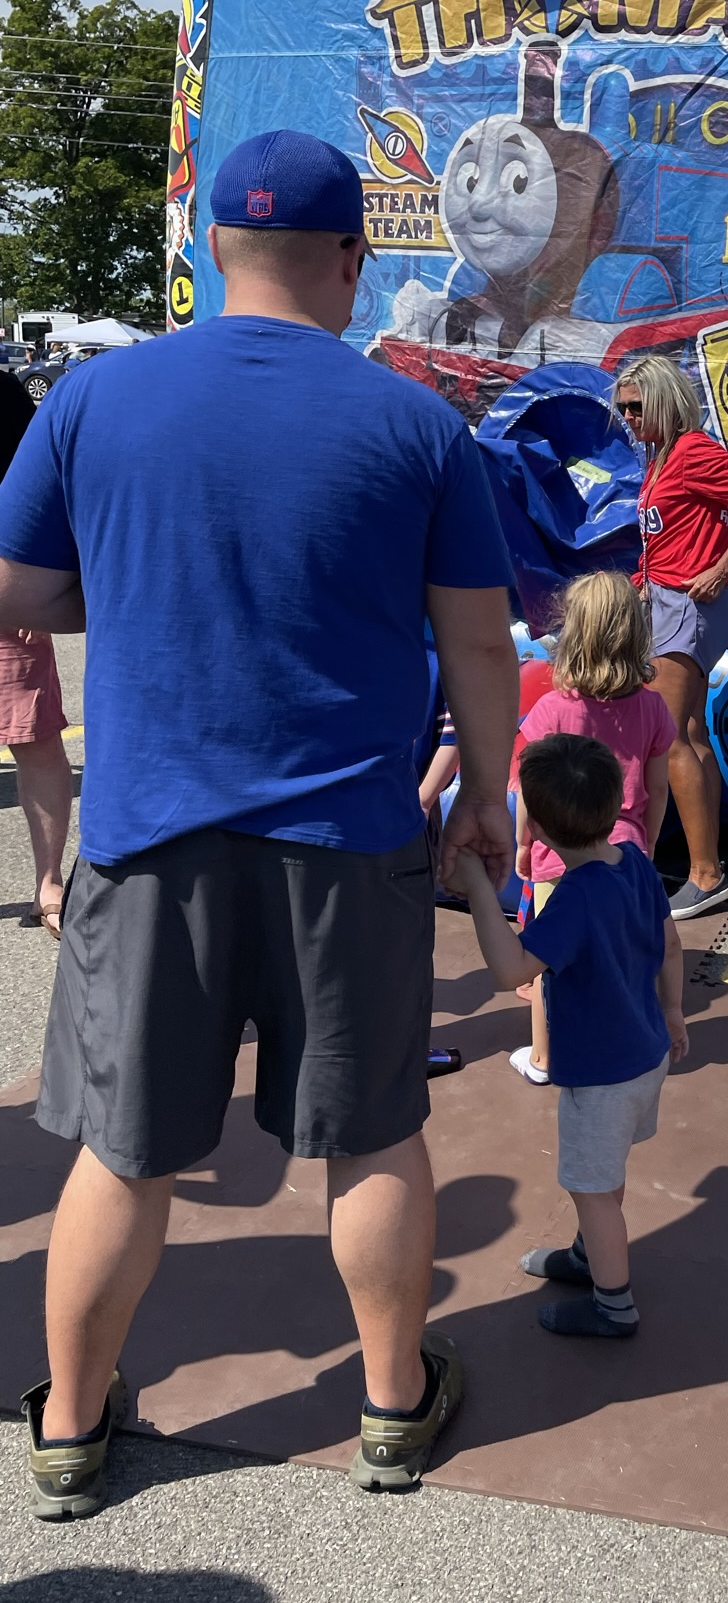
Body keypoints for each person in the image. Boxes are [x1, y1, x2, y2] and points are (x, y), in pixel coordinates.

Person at [0, 131, 520, 1519]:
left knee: (125, 1149)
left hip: (146, 841)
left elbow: (17, 587)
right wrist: (487, 794)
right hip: (348, 841)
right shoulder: (418, 427)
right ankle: (393, 1410)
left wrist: (132, 589)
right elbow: (479, 642)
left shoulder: (94, 398)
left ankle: (69, 1427)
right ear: (352, 259)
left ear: (215, 247)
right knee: (373, 1136)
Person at [448, 732, 688, 1338]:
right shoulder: (634, 862)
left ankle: (614, 1305)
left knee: (592, 1191)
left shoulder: (575, 899)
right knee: (607, 1175)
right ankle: (589, 1257)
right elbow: (670, 944)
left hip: (602, 1077)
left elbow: (511, 971)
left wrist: (478, 887)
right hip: (646, 1054)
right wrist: (675, 1012)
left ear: (536, 829)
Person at [613, 355, 728, 919]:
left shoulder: (692, 451)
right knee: (687, 730)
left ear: (665, 400)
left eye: (637, 406)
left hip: (687, 603)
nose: (629, 417)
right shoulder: (663, 457)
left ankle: (705, 874)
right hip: (667, 599)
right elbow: (668, 533)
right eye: (623, 408)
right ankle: (706, 865)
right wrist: (643, 581)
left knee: (668, 736)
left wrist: (721, 568)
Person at [507, 570, 676, 1085]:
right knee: (626, 947)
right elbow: (658, 788)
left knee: (546, 955)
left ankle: (543, 1056)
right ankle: (628, 1037)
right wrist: (647, 840)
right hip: (625, 847)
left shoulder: (552, 709)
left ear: (573, 634)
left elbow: (529, 789)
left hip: (558, 850)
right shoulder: (652, 707)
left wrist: (524, 844)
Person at [0, 369, 72, 936]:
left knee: (34, 738)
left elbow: (43, 496)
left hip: (7, 598)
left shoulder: (4, 396)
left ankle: (48, 882)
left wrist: (36, 594)